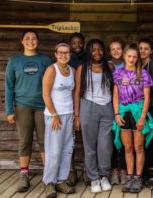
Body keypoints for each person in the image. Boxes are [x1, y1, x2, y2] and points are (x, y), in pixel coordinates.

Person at [5, 29, 52, 193]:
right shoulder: (14, 61)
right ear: (22, 41)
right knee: (24, 141)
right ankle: (24, 175)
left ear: (38, 41)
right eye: (27, 38)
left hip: (43, 107)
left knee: (44, 141)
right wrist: (9, 110)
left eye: (34, 38)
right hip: (22, 105)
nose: (31, 41)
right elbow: (9, 86)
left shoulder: (45, 60)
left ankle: (48, 176)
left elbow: (52, 84)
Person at [112, 43, 153, 193]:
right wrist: (117, 114)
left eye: (134, 57)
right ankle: (129, 177)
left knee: (138, 147)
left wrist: (143, 117)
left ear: (137, 58)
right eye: (129, 56)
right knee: (128, 147)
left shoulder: (143, 74)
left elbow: (147, 97)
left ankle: (138, 178)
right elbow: (116, 96)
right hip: (124, 113)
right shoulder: (118, 74)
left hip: (138, 112)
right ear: (124, 56)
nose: (131, 59)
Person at [73, 39, 114, 193]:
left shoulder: (109, 67)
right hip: (88, 107)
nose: (97, 53)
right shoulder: (82, 68)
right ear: (89, 52)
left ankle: (104, 175)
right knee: (89, 145)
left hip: (107, 108)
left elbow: (115, 89)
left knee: (105, 146)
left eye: (100, 49)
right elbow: (77, 92)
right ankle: (94, 178)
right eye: (93, 50)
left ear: (104, 51)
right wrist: (77, 116)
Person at [42, 42, 76, 197]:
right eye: (60, 52)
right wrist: (54, 114)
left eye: (67, 52)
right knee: (54, 150)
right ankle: (49, 182)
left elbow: (73, 94)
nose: (64, 55)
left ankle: (61, 180)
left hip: (69, 114)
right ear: (55, 54)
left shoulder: (72, 70)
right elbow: (45, 94)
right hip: (55, 115)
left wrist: (75, 115)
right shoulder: (51, 70)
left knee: (67, 149)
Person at [67, 31, 87, 186]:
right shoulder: (67, 59)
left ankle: (87, 170)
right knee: (70, 139)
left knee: (87, 137)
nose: (77, 45)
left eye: (80, 42)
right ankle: (71, 171)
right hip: (69, 101)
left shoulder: (88, 58)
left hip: (86, 99)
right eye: (74, 43)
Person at [107, 37, 128, 186]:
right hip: (111, 105)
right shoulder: (106, 65)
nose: (116, 51)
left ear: (123, 50)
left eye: (118, 48)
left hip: (127, 105)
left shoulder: (128, 64)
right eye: (113, 49)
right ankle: (114, 169)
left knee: (126, 139)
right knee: (114, 138)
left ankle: (124, 170)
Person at [138, 38, 153, 188]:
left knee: (150, 137)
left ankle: (151, 167)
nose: (143, 51)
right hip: (139, 106)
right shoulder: (137, 64)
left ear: (151, 50)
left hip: (152, 105)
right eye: (141, 48)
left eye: (146, 48)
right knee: (141, 137)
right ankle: (144, 168)